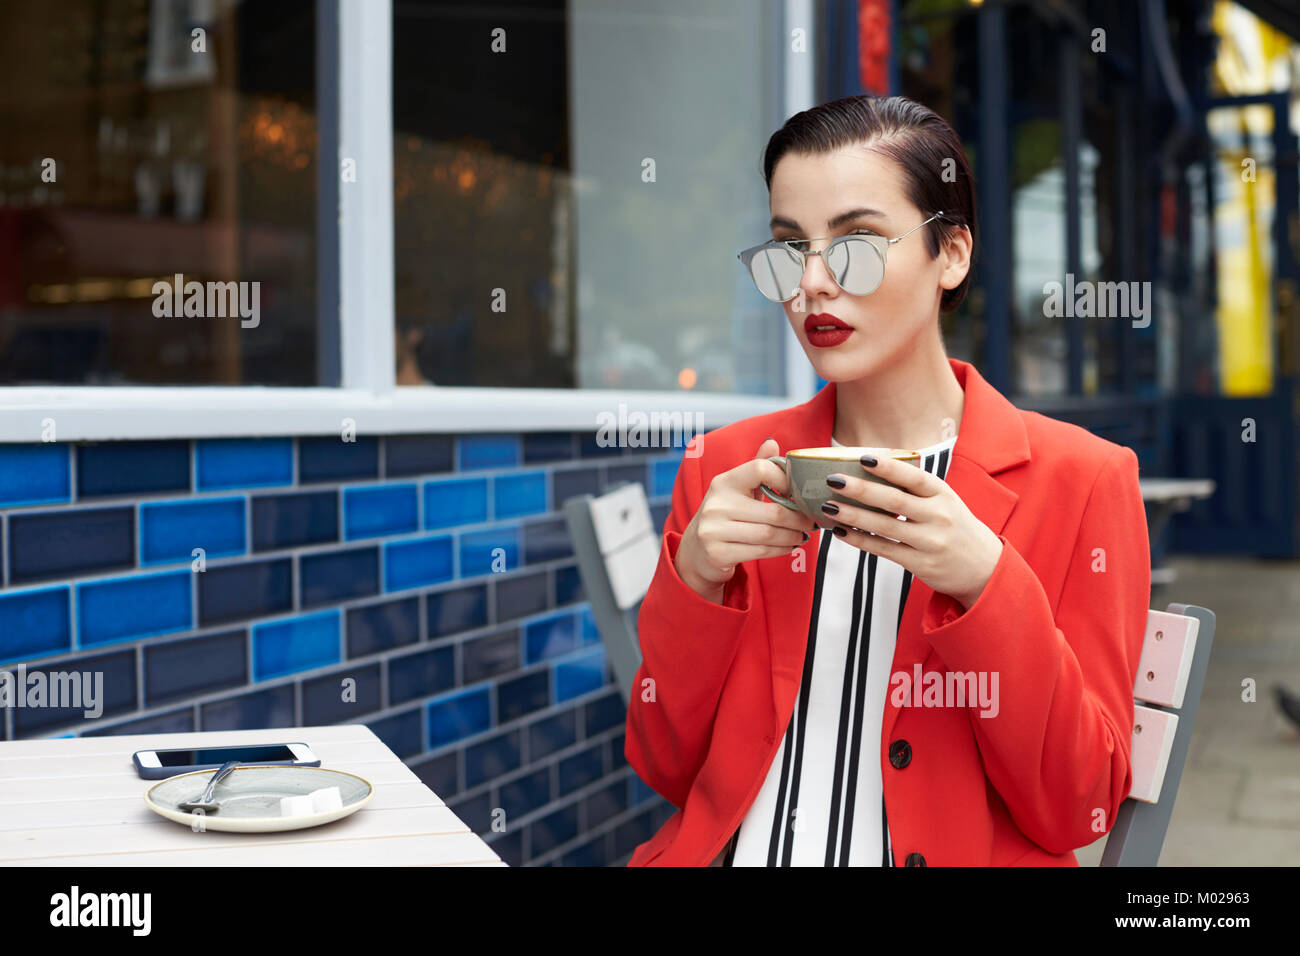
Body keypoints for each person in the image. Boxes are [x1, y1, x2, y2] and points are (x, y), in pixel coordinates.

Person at [623, 95, 1151, 866]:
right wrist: (696, 578)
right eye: (788, 246)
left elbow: (1082, 803)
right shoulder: (728, 467)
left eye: (857, 243)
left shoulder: (1083, 480)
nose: (811, 284)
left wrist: (987, 583)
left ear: (952, 255)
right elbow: (664, 765)